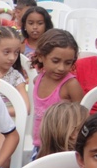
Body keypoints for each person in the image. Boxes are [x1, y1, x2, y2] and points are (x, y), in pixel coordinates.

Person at [31, 29, 83, 158]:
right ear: (41, 56)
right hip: (39, 145)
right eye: (55, 61)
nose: (61, 68)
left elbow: (81, 119)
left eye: (68, 63)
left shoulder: (71, 85)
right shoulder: (37, 80)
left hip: (63, 149)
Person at [0, 26, 29, 116]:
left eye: (16, 52)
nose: (12, 58)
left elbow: (25, 108)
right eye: (6, 52)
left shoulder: (16, 77)